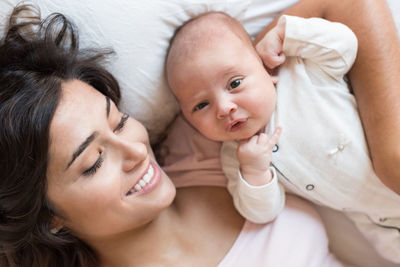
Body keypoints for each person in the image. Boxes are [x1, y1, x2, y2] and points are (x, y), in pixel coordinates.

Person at [0, 4, 347, 267]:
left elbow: (334, 8)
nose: (136, 149)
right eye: (94, 162)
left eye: (119, 121)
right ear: (49, 218)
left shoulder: (207, 133)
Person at [166, 11, 400, 263]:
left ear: (263, 67)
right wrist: (255, 172)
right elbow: (262, 212)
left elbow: (345, 46)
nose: (224, 108)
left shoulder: (300, 72)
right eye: (201, 105)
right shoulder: (238, 157)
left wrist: (287, 35)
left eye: (234, 84)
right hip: (384, 225)